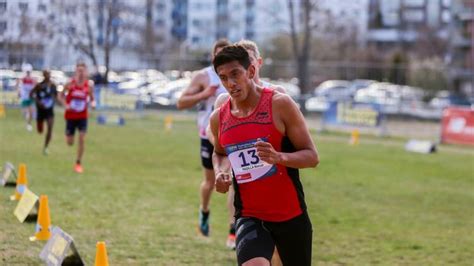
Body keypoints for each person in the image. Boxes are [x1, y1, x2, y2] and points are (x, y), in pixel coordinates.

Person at [209, 45, 319, 266]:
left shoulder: (280, 104)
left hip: (290, 214)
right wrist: (220, 172)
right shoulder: (219, 118)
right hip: (249, 215)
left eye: (235, 74)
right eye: (223, 78)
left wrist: (279, 158)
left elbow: (311, 156)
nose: (230, 83)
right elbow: (219, 153)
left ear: (250, 71)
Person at [207, 40, 286, 251]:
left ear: (256, 64)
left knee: (278, 250)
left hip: (277, 180)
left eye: (249, 59)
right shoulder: (224, 100)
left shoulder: (277, 94)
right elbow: (214, 133)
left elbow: (297, 137)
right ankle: (234, 228)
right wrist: (223, 163)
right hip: (244, 178)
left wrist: (280, 156)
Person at [176, 39, 233, 242]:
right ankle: (204, 212)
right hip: (208, 136)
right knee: (210, 182)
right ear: (213, 57)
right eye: (219, 55)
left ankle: (233, 231)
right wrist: (205, 94)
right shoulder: (203, 76)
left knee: (234, 183)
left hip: (233, 137)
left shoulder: (237, 77)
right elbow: (181, 102)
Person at [59, 62, 95, 173]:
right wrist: (66, 104)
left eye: (83, 70)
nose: (81, 73)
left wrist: (93, 104)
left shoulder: (88, 86)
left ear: (86, 72)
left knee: (82, 138)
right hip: (70, 116)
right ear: (76, 71)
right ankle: (68, 135)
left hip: (82, 116)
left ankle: (78, 163)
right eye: (79, 70)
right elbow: (60, 95)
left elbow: (92, 98)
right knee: (70, 142)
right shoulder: (70, 84)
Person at [30, 70, 58, 155]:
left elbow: (56, 96)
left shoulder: (53, 85)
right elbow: (31, 94)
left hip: (49, 111)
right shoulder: (39, 85)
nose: (48, 76)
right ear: (43, 75)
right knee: (40, 130)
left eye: (49, 74)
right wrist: (38, 101)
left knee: (50, 127)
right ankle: (40, 126)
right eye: (46, 75)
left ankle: (45, 147)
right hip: (41, 110)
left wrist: (53, 100)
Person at [16, 64, 36, 131]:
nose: (28, 73)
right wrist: (19, 92)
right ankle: (27, 123)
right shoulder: (22, 78)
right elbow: (18, 85)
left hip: (30, 97)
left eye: (29, 71)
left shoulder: (32, 79)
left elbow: (35, 86)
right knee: (26, 111)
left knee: (31, 112)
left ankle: (29, 124)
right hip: (24, 97)